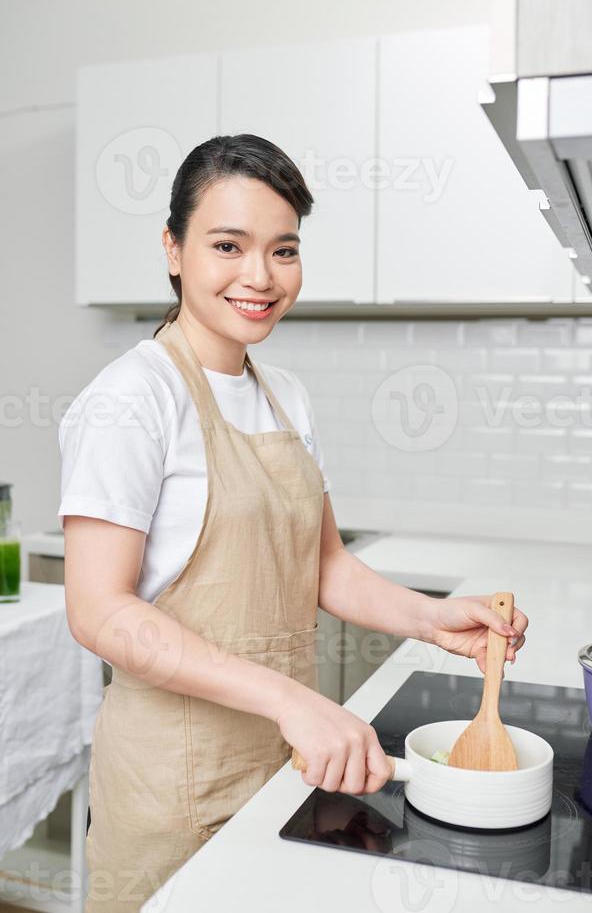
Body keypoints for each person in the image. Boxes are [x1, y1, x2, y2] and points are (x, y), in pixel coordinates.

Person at [59, 134, 528, 911]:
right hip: (174, 781)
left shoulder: (286, 395)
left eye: (284, 250)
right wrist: (291, 700)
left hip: (284, 760)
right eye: (227, 245)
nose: (260, 276)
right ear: (173, 249)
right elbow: (98, 610)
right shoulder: (130, 399)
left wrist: (435, 619)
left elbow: (326, 567)